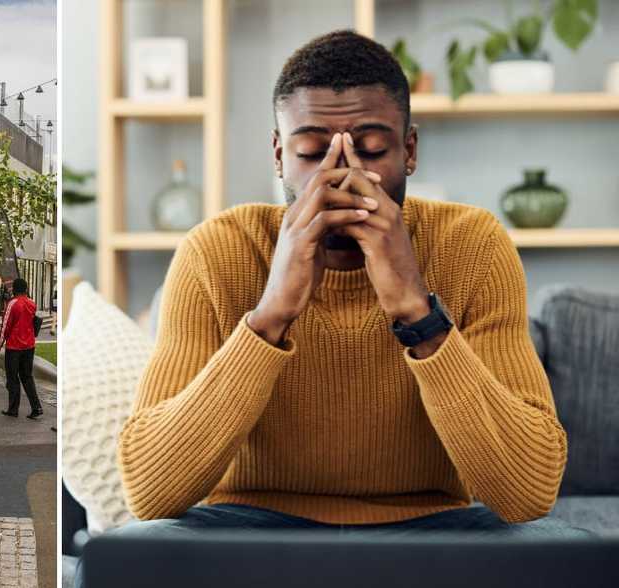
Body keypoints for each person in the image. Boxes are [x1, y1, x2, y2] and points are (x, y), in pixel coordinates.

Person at [93, 30, 586, 575]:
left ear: (411, 150)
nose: (344, 176)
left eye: (372, 149)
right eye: (310, 152)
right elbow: (151, 492)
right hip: (246, 524)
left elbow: (529, 493)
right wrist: (272, 313)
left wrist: (417, 313)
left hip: (433, 526)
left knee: (573, 554)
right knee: (129, 555)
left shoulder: (473, 245)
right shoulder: (217, 251)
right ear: (279, 156)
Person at [0, 278, 42, 420]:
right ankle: (36, 407)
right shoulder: (32, 303)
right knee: (27, 377)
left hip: (14, 346)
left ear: (13, 289)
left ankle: (13, 409)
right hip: (29, 345)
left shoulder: (13, 303)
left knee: (12, 377)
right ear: (26, 289)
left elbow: (5, 325)